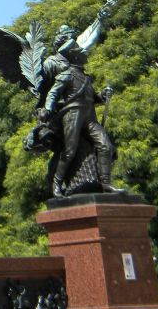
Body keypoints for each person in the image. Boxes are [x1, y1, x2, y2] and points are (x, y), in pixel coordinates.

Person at [37, 11, 118, 196]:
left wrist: (103, 96)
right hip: (72, 114)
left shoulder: (85, 77)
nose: (84, 52)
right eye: (80, 51)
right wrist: (47, 109)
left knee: (105, 145)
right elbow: (52, 93)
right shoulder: (63, 72)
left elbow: (93, 98)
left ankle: (106, 183)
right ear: (73, 55)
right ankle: (57, 184)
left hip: (89, 116)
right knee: (70, 151)